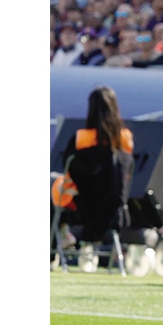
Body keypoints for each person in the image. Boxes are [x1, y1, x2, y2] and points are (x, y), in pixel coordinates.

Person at [58, 86, 135, 254]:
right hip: (114, 212)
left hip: (81, 211)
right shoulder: (125, 139)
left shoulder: (80, 140)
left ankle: (62, 236)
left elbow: (67, 171)